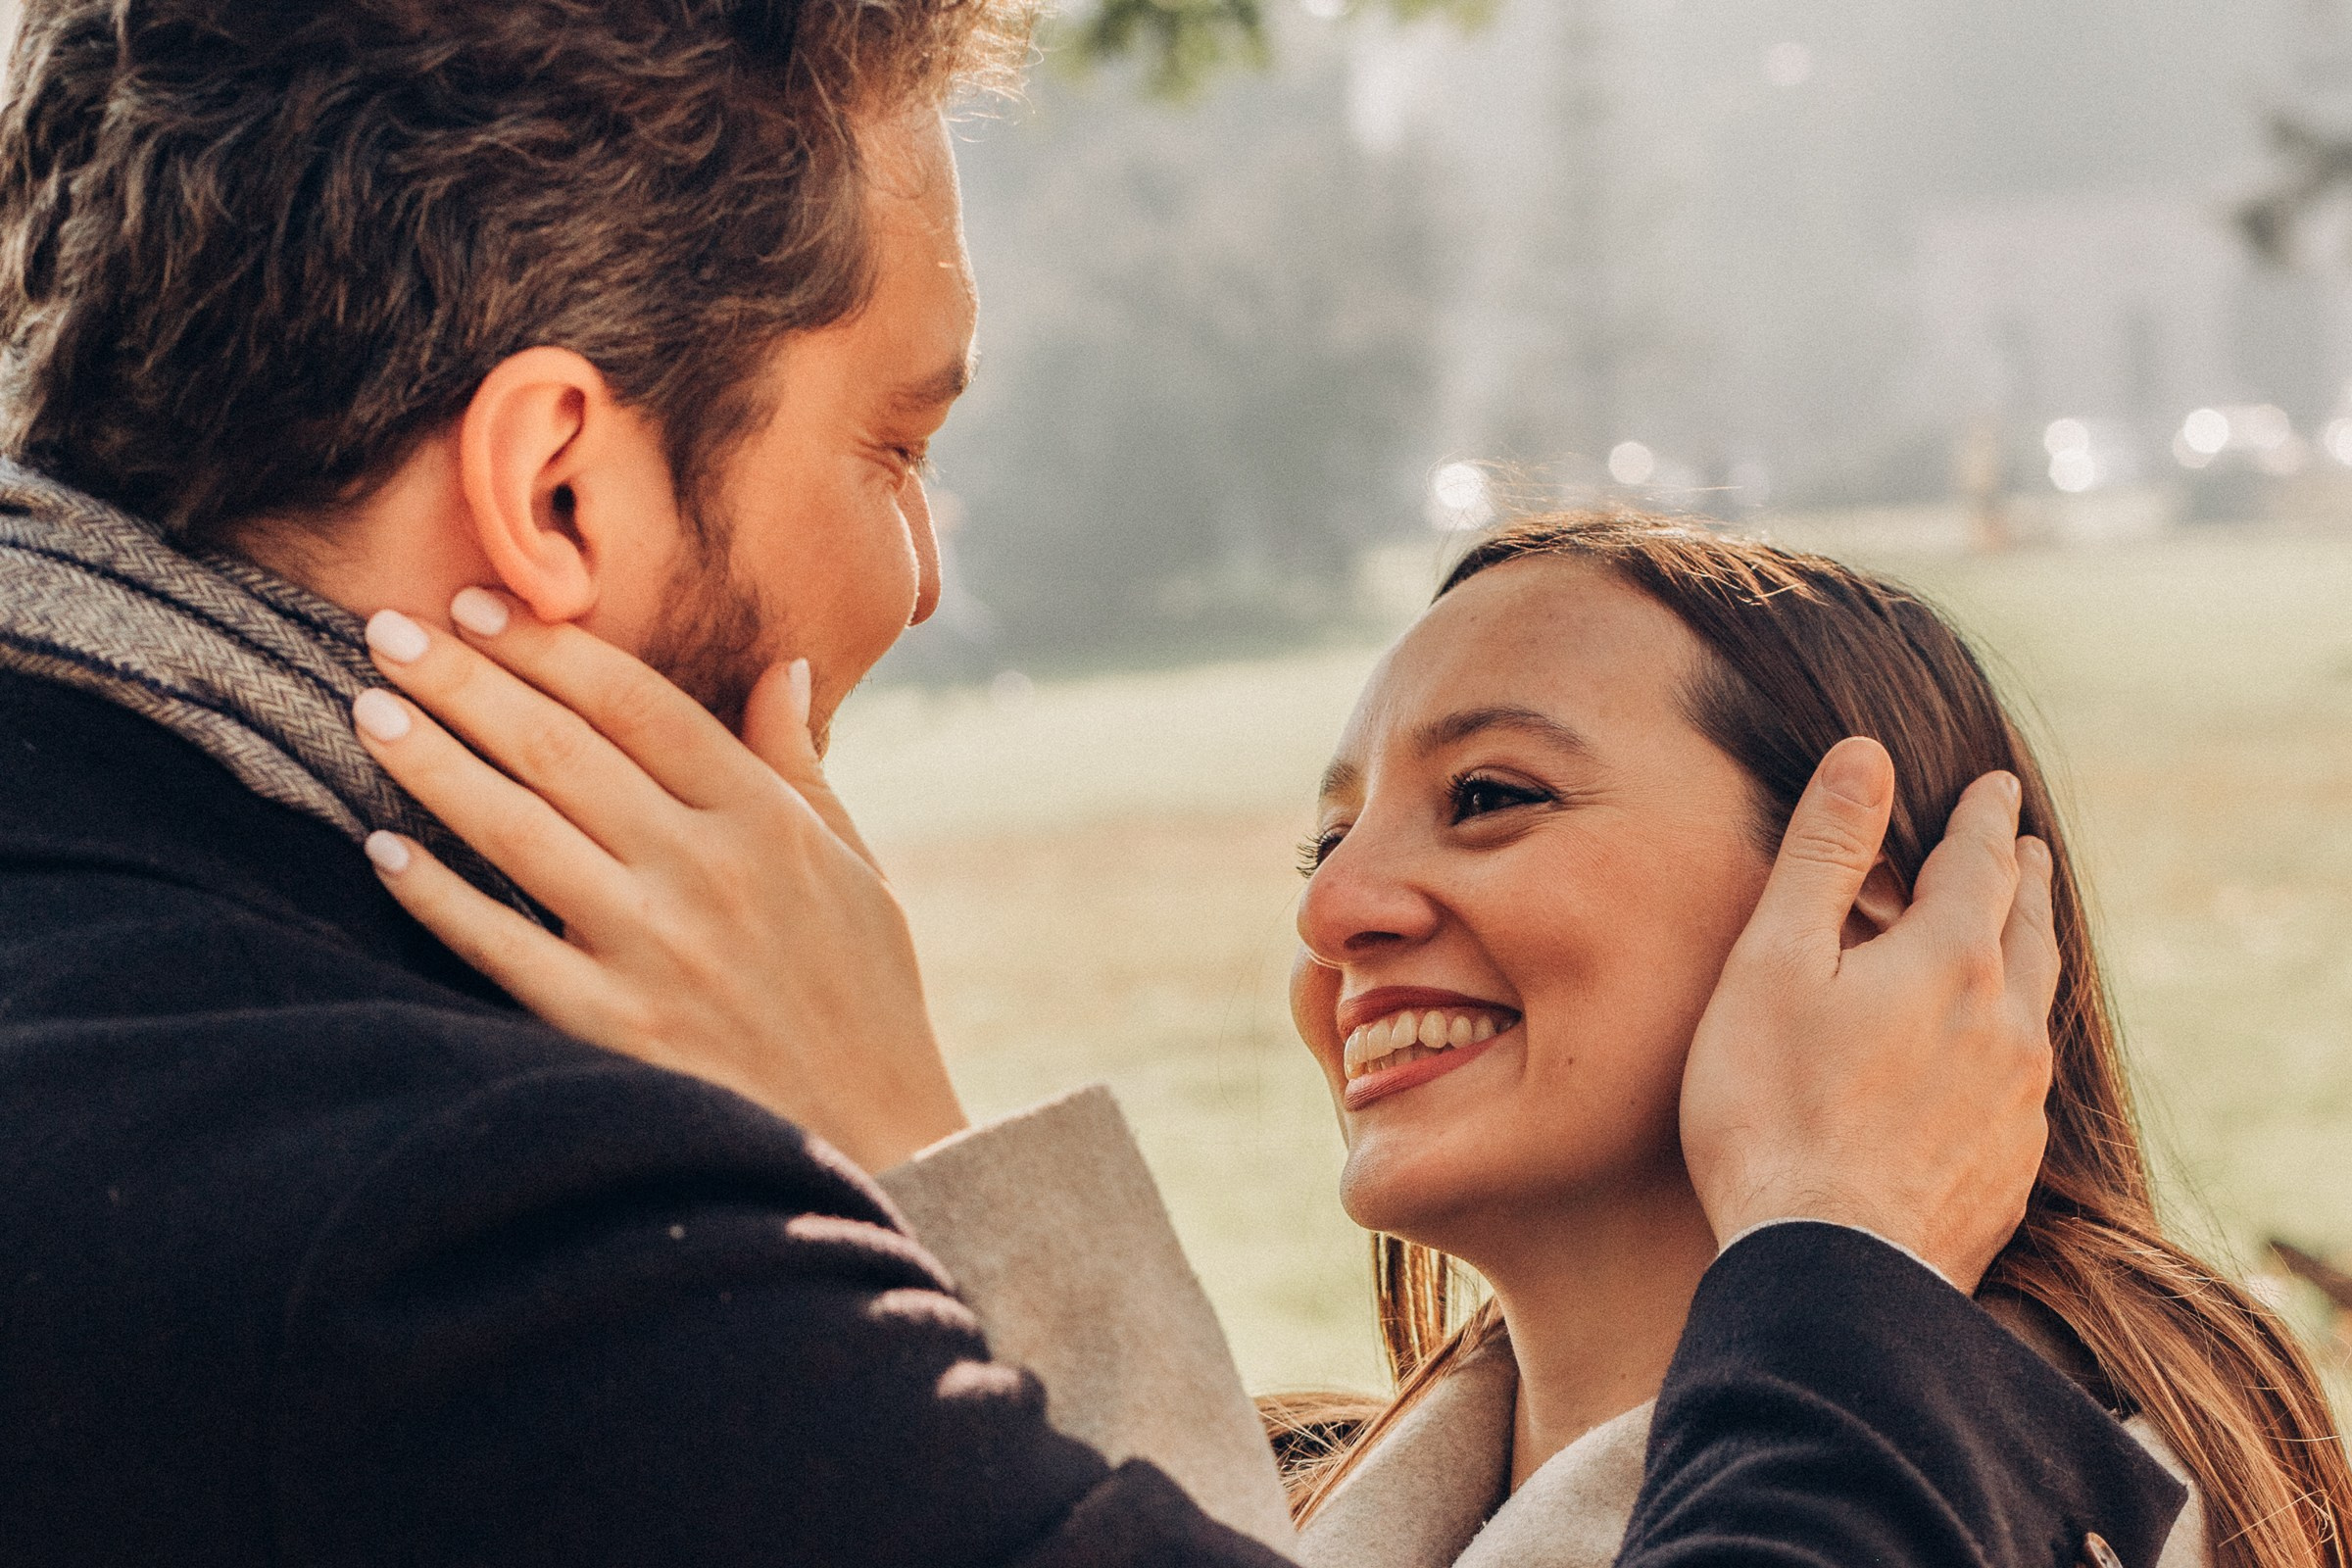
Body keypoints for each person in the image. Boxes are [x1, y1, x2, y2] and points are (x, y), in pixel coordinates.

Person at [0, 1, 2186, 1562]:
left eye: (1494, 795)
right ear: (558, 486)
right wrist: (1854, 1289)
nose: (923, 576)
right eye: (896, 443)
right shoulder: (503, 1240)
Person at [1256, 514, 2352, 1568]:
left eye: (1490, 794)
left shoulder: (2105, 1532)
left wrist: (1842, 1265)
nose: (1331, 908)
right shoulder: (1230, 1491)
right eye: (1329, 844)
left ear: (1870, 929)